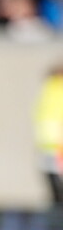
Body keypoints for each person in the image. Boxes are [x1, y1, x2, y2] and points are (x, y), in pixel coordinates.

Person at [34, 64, 63, 208]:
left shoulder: (48, 89)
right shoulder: (52, 89)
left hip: (51, 144)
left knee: (55, 186)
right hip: (54, 144)